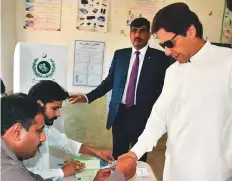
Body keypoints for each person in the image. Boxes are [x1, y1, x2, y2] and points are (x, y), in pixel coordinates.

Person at [119, 2, 232, 181]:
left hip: (213, 172)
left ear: (190, 31)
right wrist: (134, 153)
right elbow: (159, 116)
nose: (167, 52)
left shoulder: (227, 64)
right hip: (175, 170)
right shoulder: (174, 72)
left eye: (170, 43)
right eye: (163, 45)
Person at [69, 17, 170, 162]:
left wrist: (159, 114)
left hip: (143, 115)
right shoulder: (120, 55)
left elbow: (163, 89)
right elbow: (109, 82)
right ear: (130, 34)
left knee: (139, 156)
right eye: (134, 31)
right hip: (120, 113)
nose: (137, 35)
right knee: (118, 154)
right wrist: (87, 97)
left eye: (142, 31)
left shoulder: (159, 58)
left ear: (149, 34)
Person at [23, 80, 114, 181]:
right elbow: (23, 175)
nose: (58, 114)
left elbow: (65, 143)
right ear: (40, 104)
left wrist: (97, 152)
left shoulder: (45, 128)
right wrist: (62, 171)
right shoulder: (23, 134)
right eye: (54, 108)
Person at [1, 93, 48, 181]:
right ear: (17, 132)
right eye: (39, 131)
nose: (43, 138)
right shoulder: (10, 172)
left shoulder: (10, 156)